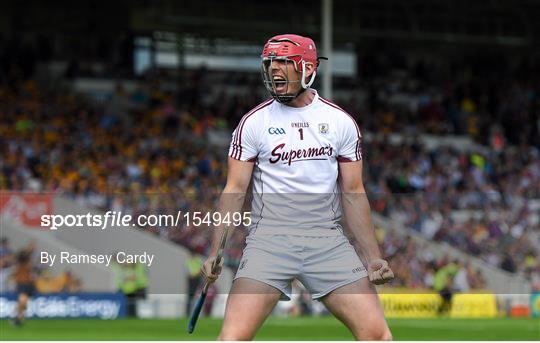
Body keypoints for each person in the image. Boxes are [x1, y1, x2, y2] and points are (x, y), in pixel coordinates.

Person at [201, 34, 394, 340]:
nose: (274, 70)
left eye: (283, 62)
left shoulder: (340, 122)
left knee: (377, 335)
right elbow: (234, 190)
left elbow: (354, 193)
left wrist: (373, 257)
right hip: (269, 240)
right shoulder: (252, 123)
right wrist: (215, 251)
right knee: (232, 338)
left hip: (326, 240)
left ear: (306, 68)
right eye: (270, 63)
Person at [11, 244, 37, 326]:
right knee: (23, 300)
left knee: (24, 303)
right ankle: (17, 318)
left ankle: (18, 317)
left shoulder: (27, 265)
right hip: (22, 284)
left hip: (28, 284)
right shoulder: (20, 263)